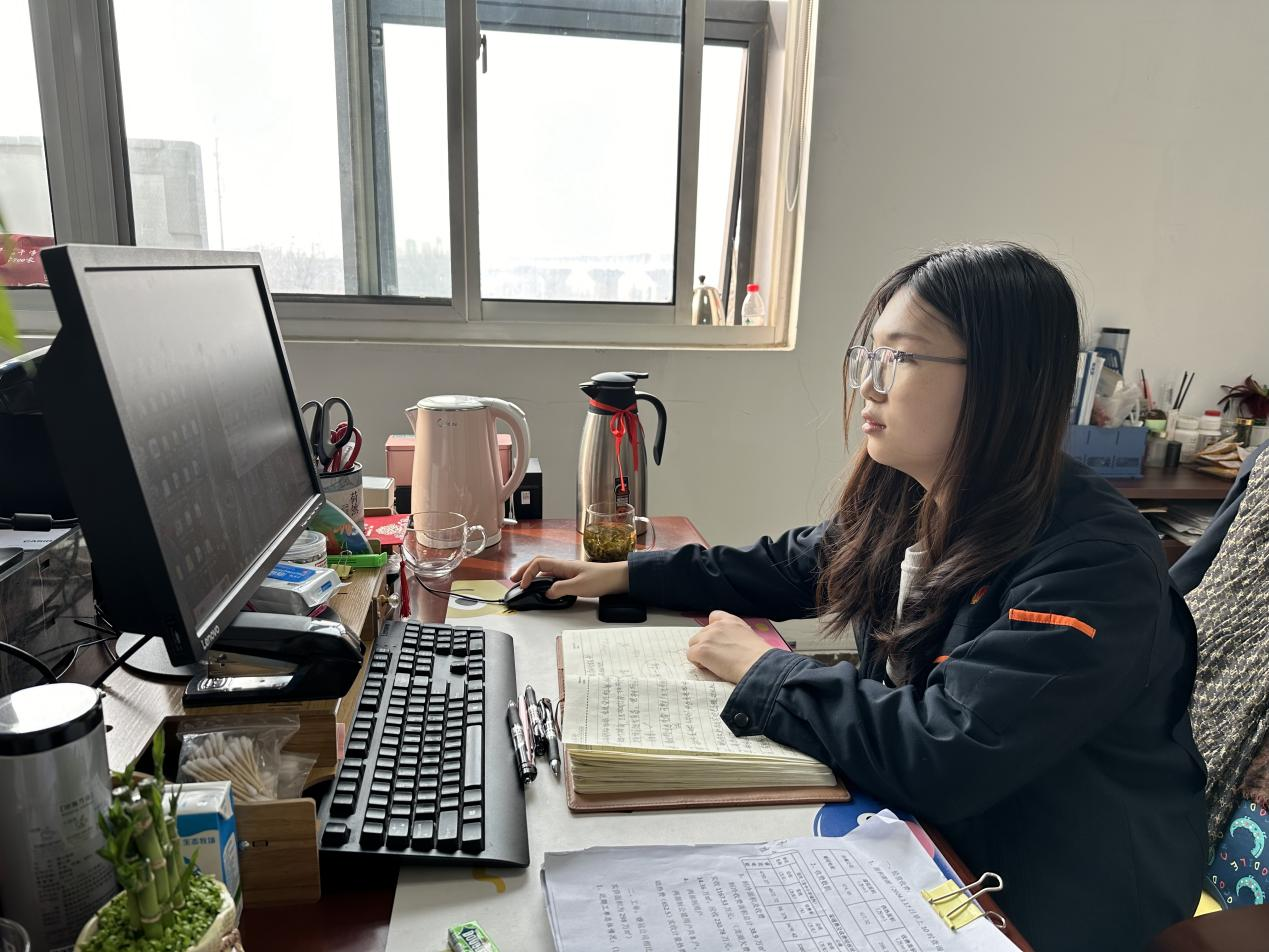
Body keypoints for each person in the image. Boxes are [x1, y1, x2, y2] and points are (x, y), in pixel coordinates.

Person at [514, 243, 1206, 950]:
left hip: (1048, 892)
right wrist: (625, 573)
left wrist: (763, 670)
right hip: (926, 837)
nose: (868, 386)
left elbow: (948, 751)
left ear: (1005, 380)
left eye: (899, 359)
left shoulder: (1094, 564)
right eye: (868, 356)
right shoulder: (919, 495)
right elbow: (791, 564)